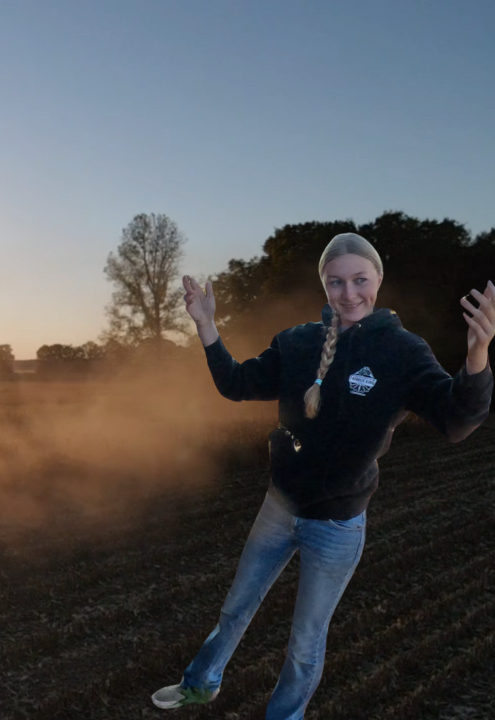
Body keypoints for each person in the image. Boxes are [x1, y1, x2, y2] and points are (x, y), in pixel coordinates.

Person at [150, 233, 494, 718]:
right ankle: (200, 683)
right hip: (279, 506)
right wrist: (206, 325)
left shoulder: (403, 351)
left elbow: (457, 420)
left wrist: (477, 356)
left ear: (378, 280)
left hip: (336, 525)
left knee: (305, 641)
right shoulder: (296, 342)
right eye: (336, 282)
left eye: (359, 279)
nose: (349, 293)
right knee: (235, 608)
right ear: (324, 286)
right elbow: (236, 383)